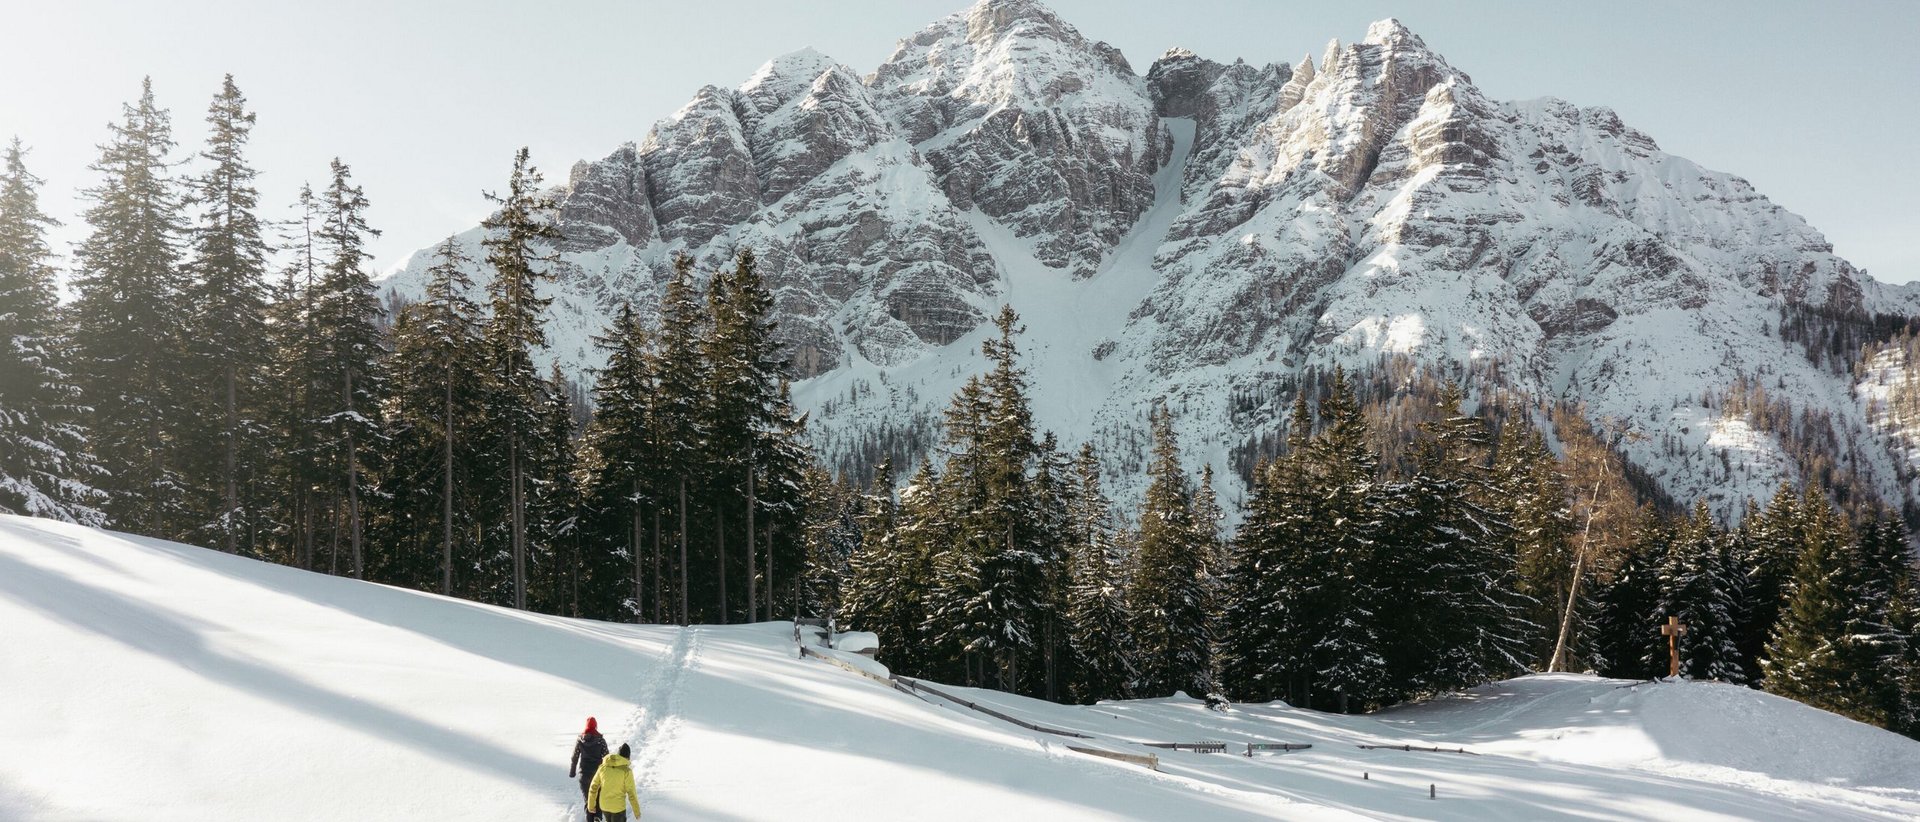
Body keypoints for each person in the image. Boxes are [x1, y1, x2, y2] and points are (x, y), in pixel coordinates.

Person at [588, 742, 641, 821]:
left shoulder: (603, 767)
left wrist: (591, 805)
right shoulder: (626, 771)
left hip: (604, 805)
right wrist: (637, 812)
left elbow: (593, 786)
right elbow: (631, 793)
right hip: (618, 808)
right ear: (628, 757)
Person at [569, 717, 609, 821]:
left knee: (588, 801)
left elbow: (575, 757)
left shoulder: (580, 740)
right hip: (598, 775)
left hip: (584, 775)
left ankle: (590, 819)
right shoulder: (601, 741)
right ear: (596, 726)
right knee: (598, 798)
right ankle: (598, 817)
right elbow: (606, 758)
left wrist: (572, 772)